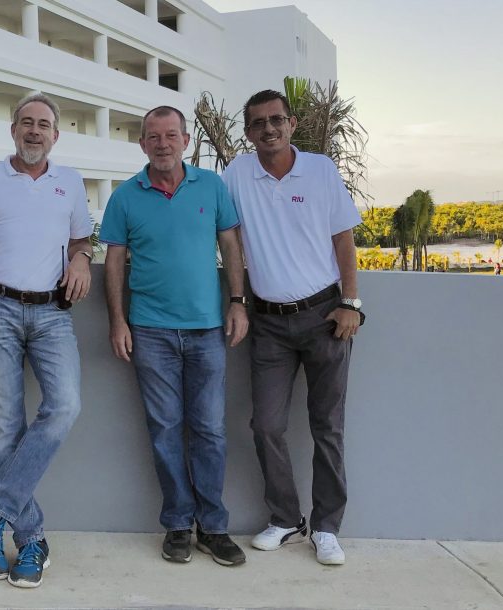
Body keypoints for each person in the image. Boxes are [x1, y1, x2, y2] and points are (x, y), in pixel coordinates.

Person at [0, 92, 93, 589]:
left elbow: (82, 239)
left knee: (66, 405)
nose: (35, 131)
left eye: (44, 124)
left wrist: (80, 259)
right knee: (4, 428)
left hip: (54, 313)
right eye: (27, 123)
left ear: (56, 134)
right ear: (13, 129)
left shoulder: (71, 182)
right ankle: (30, 540)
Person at [100, 106, 248, 567]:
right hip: (150, 331)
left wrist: (238, 301)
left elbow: (230, 245)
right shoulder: (125, 197)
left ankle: (215, 527)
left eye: (171, 135)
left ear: (186, 140)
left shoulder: (212, 187)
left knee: (210, 431)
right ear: (142, 144)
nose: (162, 143)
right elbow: (114, 263)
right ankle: (179, 525)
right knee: (165, 431)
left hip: (207, 328)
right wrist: (118, 321)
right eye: (153, 136)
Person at [222, 89, 363, 566]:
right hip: (268, 324)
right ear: (248, 132)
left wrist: (350, 302)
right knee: (266, 425)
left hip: (326, 317)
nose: (269, 129)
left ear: (292, 123)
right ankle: (285, 518)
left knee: (328, 428)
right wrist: (238, 301)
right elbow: (231, 242)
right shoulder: (237, 175)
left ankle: (326, 527)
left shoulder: (320, 170)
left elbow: (343, 236)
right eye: (259, 123)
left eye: (277, 119)